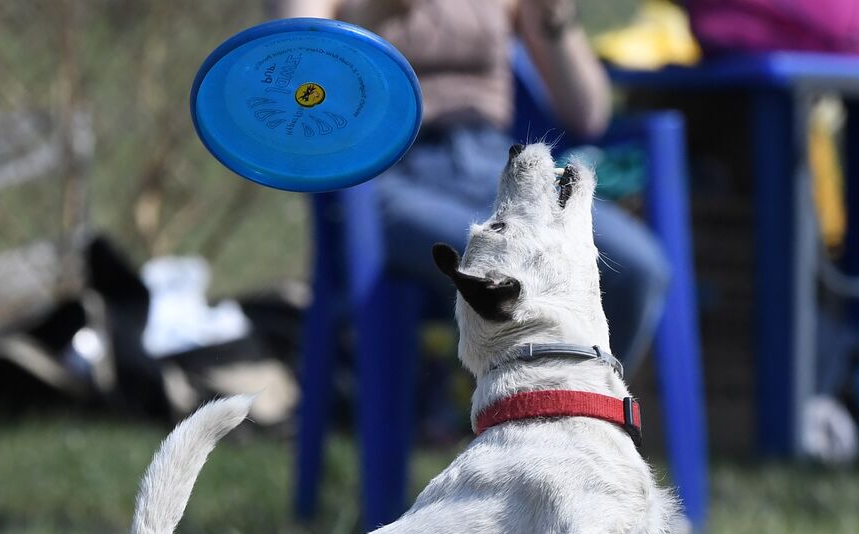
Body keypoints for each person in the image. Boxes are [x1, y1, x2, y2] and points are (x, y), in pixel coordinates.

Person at [272, 0, 672, 368]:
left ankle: (578, 415)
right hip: (381, 175)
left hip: (491, 164)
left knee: (638, 267)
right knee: (519, 264)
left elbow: (588, 114)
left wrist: (554, 17)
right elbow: (294, 71)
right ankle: (515, 418)